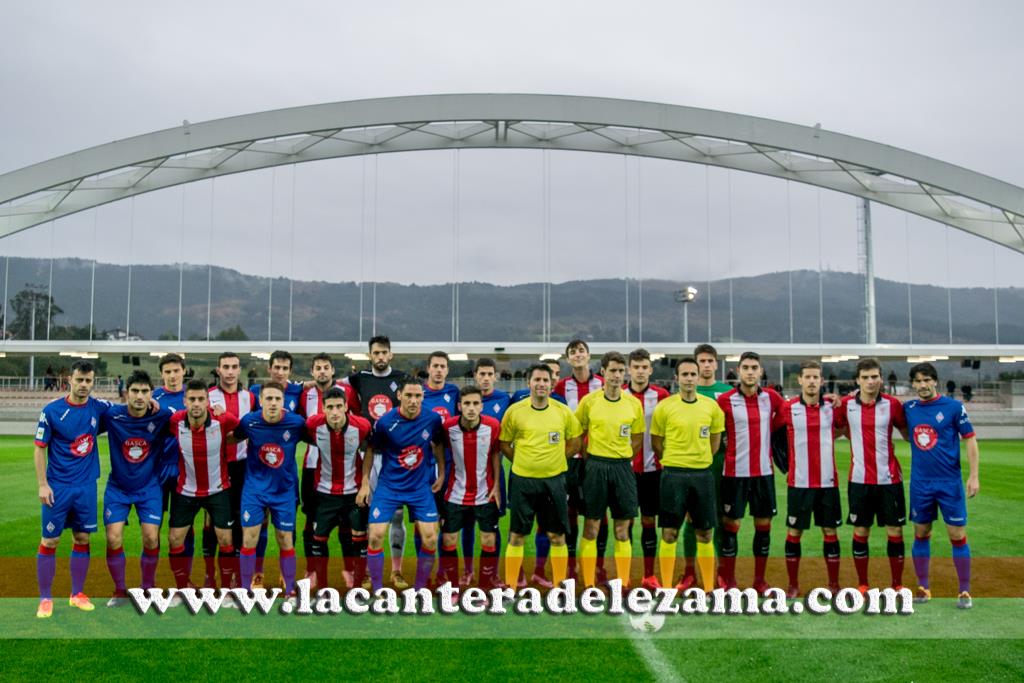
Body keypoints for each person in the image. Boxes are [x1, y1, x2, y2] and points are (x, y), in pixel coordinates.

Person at [34, 360, 110, 618]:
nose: (84, 385)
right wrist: (43, 484)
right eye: (80, 380)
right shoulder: (52, 411)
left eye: (89, 381)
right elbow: (39, 448)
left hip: (86, 487)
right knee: (50, 540)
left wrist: (152, 403)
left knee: (82, 538)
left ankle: (76, 593)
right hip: (58, 487)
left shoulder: (98, 408)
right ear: (70, 380)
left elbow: (127, 410)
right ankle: (45, 597)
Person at [356, 378, 445, 591]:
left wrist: (441, 474)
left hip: (419, 487)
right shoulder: (385, 422)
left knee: (431, 539)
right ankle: (378, 589)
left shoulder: (432, 419)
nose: (413, 401)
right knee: (375, 536)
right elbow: (370, 450)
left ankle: (420, 588)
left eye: (418, 396)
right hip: (390, 486)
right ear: (399, 396)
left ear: (423, 397)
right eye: (409, 396)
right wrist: (365, 483)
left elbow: (438, 444)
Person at [903, 363, 980, 609]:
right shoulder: (909, 408)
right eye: (917, 381)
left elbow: (969, 439)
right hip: (920, 483)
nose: (922, 385)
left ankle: (964, 590)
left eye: (926, 380)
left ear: (935, 381)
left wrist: (974, 475)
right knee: (921, 533)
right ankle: (923, 587)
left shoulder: (953, 407)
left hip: (949, 483)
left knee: (956, 535)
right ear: (912, 384)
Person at [499, 363, 582, 588]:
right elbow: (505, 443)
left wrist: (557, 459)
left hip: (554, 481)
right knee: (517, 535)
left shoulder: (562, 411)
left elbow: (575, 441)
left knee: (557, 536)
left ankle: (559, 586)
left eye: (546, 380)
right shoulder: (515, 411)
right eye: (537, 380)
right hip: (522, 481)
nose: (541, 384)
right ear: (529, 383)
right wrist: (522, 460)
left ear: (551, 383)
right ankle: (511, 585)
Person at [834, 358, 909, 593]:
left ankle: (896, 584)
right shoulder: (845, 405)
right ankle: (863, 583)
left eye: (874, 376)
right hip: (859, 480)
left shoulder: (893, 404)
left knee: (895, 531)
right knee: (861, 531)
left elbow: (907, 433)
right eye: (865, 377)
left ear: (881, 378)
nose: (870, 381)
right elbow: (836, 430)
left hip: (889, 480)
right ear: (857, 380)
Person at [100, 370, 174, 606]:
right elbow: (88, 410)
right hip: (118, 488)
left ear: (152, 393)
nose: (139, 396)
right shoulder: (113, 415)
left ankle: (147, 589)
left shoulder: (161, 415)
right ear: (126, 393)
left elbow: (183, 417)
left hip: (149, 487)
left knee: (151, 538)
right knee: (113, 538)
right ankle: (119, 591)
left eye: (144, 391)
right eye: (135, 391)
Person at [651, 357, 725, 592]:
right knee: (670, 532)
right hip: (673, 475)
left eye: (693, 374)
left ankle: (708, 588)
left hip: (702, 476)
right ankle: (665, 586)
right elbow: (657, 443)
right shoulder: (665, 407)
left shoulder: (711, 407)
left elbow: (715, 442)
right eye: (685, 375)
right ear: (677, 378)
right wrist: (676, 460)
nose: (690, 378)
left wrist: (699, 459)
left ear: (698, 377)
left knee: (704, 532)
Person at [345, 335, 412, 589]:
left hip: (396, 457)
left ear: (391, 355)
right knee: (370, 516)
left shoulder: (402, 379)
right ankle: (369, 573)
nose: (381, 357)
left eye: (385, 352)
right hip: (368, 456)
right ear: (369, 355)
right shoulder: (359, 378)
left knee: (396, 516)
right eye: (376, 353)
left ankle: (396, 571)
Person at [716, 351, 786, 593]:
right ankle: (729, 579)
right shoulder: (724, 400)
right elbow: (716, 430)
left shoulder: (773, 399)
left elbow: (785, 417)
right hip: (734, 473)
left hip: (763, 474)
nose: (750, 371)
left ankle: (759, 580)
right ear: (738, 370)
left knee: (763, 525)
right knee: (731, 524)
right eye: (745, 367)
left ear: (761, 371)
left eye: (754, 367)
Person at [575, 351, 645, 588]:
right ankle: (589, 585)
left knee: (622, 528)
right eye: (612, 370)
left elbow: (637, 438)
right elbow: (578, 436)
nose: (617, 375)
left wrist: (621, 458)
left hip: (622, 469)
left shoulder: (633, 404)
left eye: (620, 371)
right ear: (603, 372)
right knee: (592, 526)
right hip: (595, 467)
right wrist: (591, 459)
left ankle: (623, 582)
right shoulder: (589, 402)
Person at [166, 379, 240, 604]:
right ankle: (182, 589)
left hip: (218, 489)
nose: (196, 403)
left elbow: (242, 431)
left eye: (201, 399)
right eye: (192, 399)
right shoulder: (175, 421)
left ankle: (226, 590)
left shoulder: (223, 419)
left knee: (225, 538)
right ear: (184, 401)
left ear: (208, 402)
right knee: (175, 538)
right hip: (185, 490)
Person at [234, 382, 308, 600]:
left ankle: (290, 589)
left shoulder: (296, 423)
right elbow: (233, 436)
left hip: (283, 490)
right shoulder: (250, 421)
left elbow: (315, 437)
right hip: (254, 489)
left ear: (283, 401)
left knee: (285, 538)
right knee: (249, 539)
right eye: (269, 398)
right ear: (260, 400)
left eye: (277, 399)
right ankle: (246, 589)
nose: (273, 403)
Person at [776, 361, 842, 598]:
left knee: (830, 532)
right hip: (799, 484)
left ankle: (833, 584)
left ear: (822, 381)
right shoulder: (788, 408)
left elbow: (845, 424)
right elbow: (771, 432)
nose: (812, 381)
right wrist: (782, 463)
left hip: (827, 484)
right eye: (808, 377)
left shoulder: (832, 407)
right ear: (800, 381)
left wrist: (842, 399)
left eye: (816, 377)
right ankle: (793, 585)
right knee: (794, 532)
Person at [437, 386, 505, 589]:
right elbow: (438, 446)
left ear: (482, 406)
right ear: (459, 406)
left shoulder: (493, 426)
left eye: (476, 403)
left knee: (489, 540)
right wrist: (441, 473)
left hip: (485, 493)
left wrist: (496, 486)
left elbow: (495, 453)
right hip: (455, 493)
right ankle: (454, 588)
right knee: (449, 540)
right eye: (466, 403)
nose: (471, 408)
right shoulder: (448, 427)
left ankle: (484, 587)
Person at [305, 387, 372, 589]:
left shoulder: (361, 426)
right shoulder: (312, 425)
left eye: (339, 406)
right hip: (325, 494)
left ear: (346, 407)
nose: (335, 412)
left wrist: (366, 484)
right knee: (318, 541)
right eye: (330, 407)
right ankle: (323, 588)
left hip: (354, 494)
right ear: (323, 408)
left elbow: (371, 449)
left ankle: (358, 588)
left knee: (359, 541)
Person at [678, 343, 733, 589]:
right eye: (702, 361)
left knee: (721, 518)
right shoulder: (685, 392)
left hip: (720, 463)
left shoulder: (728, 392)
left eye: (711, 361)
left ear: (716, 364)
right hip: (692, 463)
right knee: (691, 519)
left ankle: (722, 573)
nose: (706, 365)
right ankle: (689, 572)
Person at [553, 339, 605, 580]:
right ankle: (572, 565)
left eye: (581, 351)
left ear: (588, 355)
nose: (577, 355)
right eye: (572, 352)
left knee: (597, 512)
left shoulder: (602, 385)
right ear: (568, 359)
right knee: (570, 510)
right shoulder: (562, 387)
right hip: (572, 459)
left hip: (597, 458)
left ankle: (598, 565)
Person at [207, 352, 257, 588]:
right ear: (218, 370)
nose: (229, 371)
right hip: (213, 466)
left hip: (241, 465)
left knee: (237, 519)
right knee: (211, 522)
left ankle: (236, 574)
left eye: (234, 366)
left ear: (239, 370)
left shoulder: (250, 397)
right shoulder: (207, 397)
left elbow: (250, 430)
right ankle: (210, 574)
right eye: (225, 366)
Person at [296, 353, 346, 587]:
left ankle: (349, 569)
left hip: (342, 466)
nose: (322, 371)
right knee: (311, 520)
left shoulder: (347, 392)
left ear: (333, 370)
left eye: (326, 367)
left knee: (347, 521)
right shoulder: (304, 394)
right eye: (318, 368)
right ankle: (311, 570)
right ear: (312, 372)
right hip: (312, 464)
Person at [624, 348, 670, 590]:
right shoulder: (619, 395)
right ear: (629, 369)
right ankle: (626, 575)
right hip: (626, 471)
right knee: (625, 523)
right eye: (636, 367)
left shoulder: (662, 396)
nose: (640, 371)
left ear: (650, 370)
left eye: (644, 367)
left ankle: (649, 575)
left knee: (649, 520)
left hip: (654, 469)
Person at [152, 353, 195, 583]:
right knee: (152, 529)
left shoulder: (194, 397)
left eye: (176, 371)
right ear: (162, 374)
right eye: (167, 372)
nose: (172, 376)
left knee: (183, 529)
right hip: (157, 471)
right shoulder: (153, 397)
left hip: (185, 472)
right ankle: (150, 581)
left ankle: (183, 581)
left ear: (183, 371)